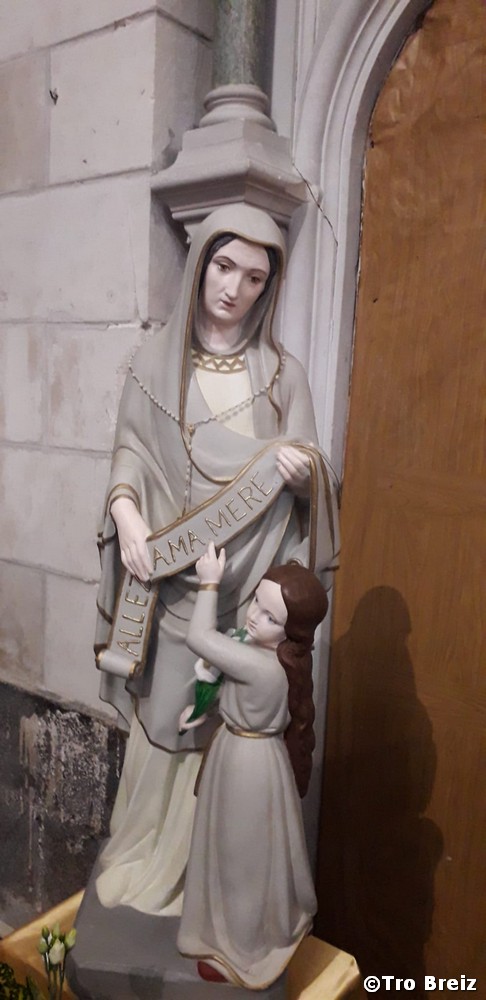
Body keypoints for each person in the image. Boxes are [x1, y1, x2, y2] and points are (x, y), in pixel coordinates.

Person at [94, 204, 339, 915]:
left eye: (255, 277)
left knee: (225, 734)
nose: (235, 288)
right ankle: (147, 856)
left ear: (270, 287)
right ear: (201, 263)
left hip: (250, 589)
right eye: (225, 267)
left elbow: (314, 481)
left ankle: (207, 882)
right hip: (172, 584)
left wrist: (305, 475)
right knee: (166, 717)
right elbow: (130, 453)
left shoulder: (283, 376)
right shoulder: (155, 365)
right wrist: (127, 514)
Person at [177, 542, 329, 989]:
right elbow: (229, 683)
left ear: (292, 632)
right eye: (257, 602)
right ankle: (228, 936)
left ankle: (242, 948)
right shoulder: (272, 658)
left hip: (247, 768)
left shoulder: (264, 666)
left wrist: (209, 583)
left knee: (240, 858)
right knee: (237, 852)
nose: (255, 617)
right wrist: (204, 708)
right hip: (246, 757)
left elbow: (200, 639)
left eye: (271, 617)